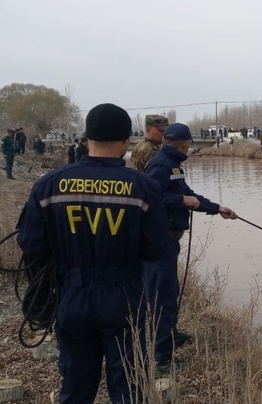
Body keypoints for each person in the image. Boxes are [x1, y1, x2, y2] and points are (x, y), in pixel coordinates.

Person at [16, 103, 168, 403]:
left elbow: (31, 245)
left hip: (71, 298)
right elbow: (156, 250)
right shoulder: (143, 189)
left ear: (86, 138)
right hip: (124, 299)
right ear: (127, 141)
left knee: (75, 387)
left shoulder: (48, 185)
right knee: (129, 387)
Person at [144, 123, 238, 373]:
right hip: (159, 241)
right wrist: (180, 200)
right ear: (185, 144)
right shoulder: (160, 165)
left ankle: (171, 334)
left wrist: (218, 209)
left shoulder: (173, 165)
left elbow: (190, 195)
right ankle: (163, 361)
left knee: (170, 291)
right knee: (162, 298)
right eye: (189, 144)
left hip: (169, 241)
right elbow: (149, 199)